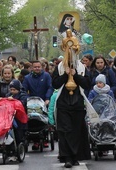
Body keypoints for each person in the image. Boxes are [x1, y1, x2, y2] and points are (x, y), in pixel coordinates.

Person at [52, 31, 91, 168]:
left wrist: (76, 76)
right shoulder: (59, 67)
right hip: (63, 103)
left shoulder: (82, 67)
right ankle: (67, 157)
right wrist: (65, 75)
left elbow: (87, 84)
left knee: (76, 131)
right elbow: (55, 84)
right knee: (65, 131)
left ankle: (75, 157)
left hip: (77, 103)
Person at [22, 60, 54, 149]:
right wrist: (27, 99)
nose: (37, 68)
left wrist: (47, 98)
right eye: (35, 67)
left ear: (41, 67)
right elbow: (23, 90)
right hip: (32, 102)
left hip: (43, 100)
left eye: (38, 67)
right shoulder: (27, 78)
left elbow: (50, 87)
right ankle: (35, 140)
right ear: (32, 68)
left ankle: (45, 138)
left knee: (44, 118)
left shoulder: (46, 76)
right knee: (32, 118)